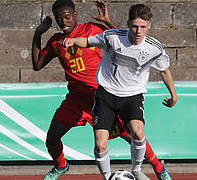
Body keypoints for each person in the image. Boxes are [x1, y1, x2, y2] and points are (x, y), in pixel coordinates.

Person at [32, 0, 169, 179]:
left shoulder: (92, 30)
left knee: (132, 135)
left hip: (100, 96)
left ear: (75, 15)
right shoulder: (56, 42)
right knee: (52, 138)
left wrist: (107, 21)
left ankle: (159, 168)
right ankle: (61, 165)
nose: (63, 22)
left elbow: (124, 40)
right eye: (59, 19)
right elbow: (37, 65)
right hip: (75, 100)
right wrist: (37, 33)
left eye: (67, 17)